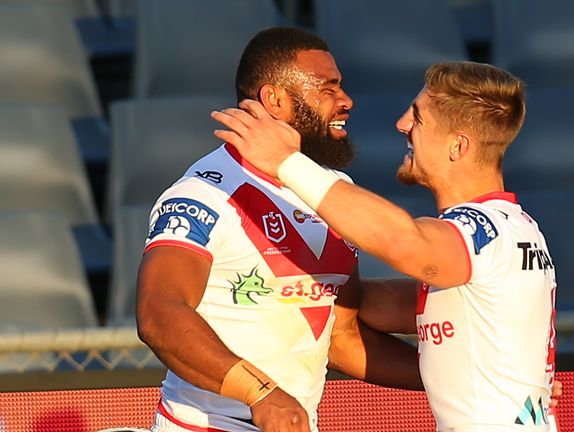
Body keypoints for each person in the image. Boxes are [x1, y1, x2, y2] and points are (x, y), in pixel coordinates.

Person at [212, 61, 560, 431]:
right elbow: (371, 306)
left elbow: (403, 242)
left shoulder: (483, 231)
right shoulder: (514, 228)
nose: (402, 124)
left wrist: (286, 162)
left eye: (418, 118)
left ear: (457, 146)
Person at [135, 27, 423, 432]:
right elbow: (158, 313)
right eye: (329, 88)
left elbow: (340, 336)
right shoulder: (203, 193)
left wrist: (452, 380)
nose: (346, 101)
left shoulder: (335, 191)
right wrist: (261, 393)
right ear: (275, 100)